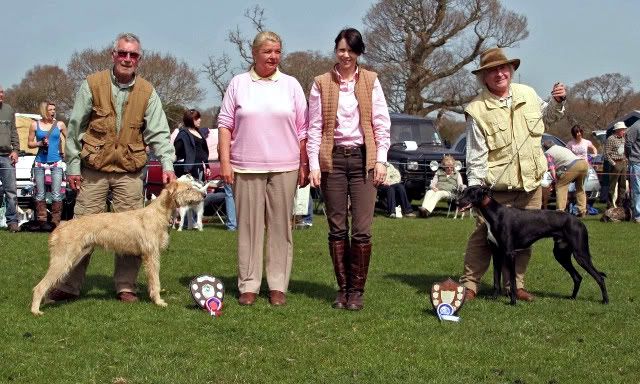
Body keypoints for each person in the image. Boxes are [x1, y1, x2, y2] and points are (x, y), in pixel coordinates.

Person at [47, 32, 176, 304]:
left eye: (133, 55)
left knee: (133, 234)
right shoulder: (91, 84)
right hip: (93, 170)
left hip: (129, 173)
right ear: (113, 54)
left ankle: (126, 286)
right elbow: (75, 129)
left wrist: (167, 164)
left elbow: (160, 133)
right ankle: (69, 285)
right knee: (81, 229)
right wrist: (72, 167)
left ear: (139, 59)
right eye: (123, 53)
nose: (127, 59)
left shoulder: (147, 92)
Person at [460, 47, 566, 302]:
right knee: (482, 238)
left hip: (529, 184)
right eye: (492, 70)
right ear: (483, 77)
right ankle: (470, 286)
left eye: (503, 68)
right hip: (495, 192)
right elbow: (475, 155)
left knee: (523, 240)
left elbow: (547, 118)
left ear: (511, 70)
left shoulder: (528, 94)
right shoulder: (476, 109)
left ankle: (515, 286)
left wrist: (558, 102)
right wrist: (475, 193)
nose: (499, 73)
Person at [218, 31, 308, 307]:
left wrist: (304, 164)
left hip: (286, 167)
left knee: (281, 229)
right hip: (245, 167)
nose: (273, 57)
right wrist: (225, 162)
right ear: (254, 53)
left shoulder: (291, 85)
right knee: (249, 228)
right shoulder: (238, 83)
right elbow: (225, 124)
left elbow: (303, 129)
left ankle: (278, 285)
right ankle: (248, 284)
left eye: (277, 51)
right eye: (268, 51)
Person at [308, 28, 391, 311]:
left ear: (359, 53)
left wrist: (380, 159)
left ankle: (357, 291)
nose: (345, 55)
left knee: (363, 230)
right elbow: (315, 127)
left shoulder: (371, 80)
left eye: (351, 51)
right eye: (341, 50)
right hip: (333, 160)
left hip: (362, 160)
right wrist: (314, 165)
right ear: (336, 51)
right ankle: (342, 289)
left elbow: (381, 123)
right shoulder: (321, 82)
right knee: (337, 229)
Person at [27, 101, 67, 228]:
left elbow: (70, 138)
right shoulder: (34, 125)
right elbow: (29, 143)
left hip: (56, 162)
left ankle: (55, 222)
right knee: (40, 193)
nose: (53, 111)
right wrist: (39, 144)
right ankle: (42, 222)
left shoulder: (60, 124)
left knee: (56, 193)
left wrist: (65, 152)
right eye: (50, 109)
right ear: (44, 111)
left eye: (54, 109)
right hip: (40, 162)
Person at [543, 141, 589, 216]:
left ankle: (560, 212)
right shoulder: (562, 148)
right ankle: (582, 211)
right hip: (583, 164)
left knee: (560, 186)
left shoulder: (548, 153)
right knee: (580, 188)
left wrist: (555, 180)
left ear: (545, 148)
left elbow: (551, 168)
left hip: (572, 166)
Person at [0, 85, 20, 232]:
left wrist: (16, 150)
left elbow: (14, 131)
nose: (1, 95)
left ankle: (12, 222)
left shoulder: (8, 109)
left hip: (7, 156)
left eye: (2, 92)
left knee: (11, 191)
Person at [173, 108, 209, 181]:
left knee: (200, 190)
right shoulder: (183, 134)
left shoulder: (199, 132)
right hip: (188, 170)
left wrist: (207, 166)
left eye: (199, 118)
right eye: (197, 118)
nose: (200, 120)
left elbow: (203, 152)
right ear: (190, 119)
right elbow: (176, 152)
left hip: (199, 167)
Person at [605, 121, 628, 208]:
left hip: (623, 163)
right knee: (612, 186)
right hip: (615, 163)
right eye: (622, 130)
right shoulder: (611, 139)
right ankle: (610, 205)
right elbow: (606, 154)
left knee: (623, 185)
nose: (624, 131)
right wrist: (614, 164)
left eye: (624, 130)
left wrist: (626, 161)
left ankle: (620, 204)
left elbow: (624, 151)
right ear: (617, 130)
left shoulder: (623, 138)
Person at [624, 120, 640, 223]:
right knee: (638, 189)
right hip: (636, 162)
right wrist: (632, 156)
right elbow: (628, 143)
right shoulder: (636, 126)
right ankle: (638, 215)